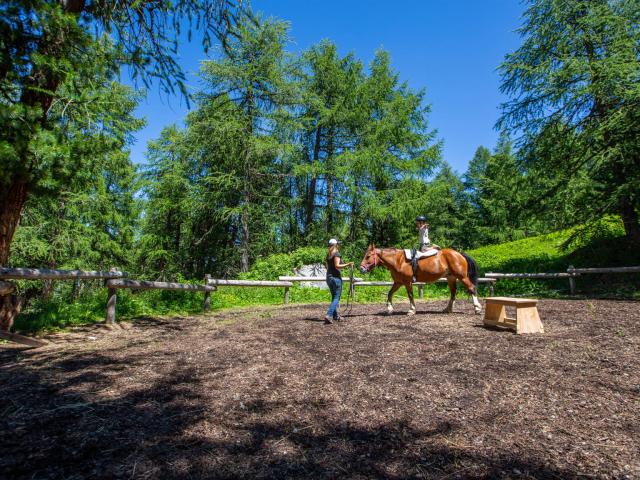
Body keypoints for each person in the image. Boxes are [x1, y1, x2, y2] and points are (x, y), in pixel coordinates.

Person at [324, 238, 353, 324]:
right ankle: (329, 315)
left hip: (328, 277)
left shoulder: (328, 255)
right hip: (335, 278)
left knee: (334, 297)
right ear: (336, 245)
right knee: (337, 297)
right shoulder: (336, 253)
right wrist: (348, 264)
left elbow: (327, 267)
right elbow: (337, 266)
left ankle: (335, 316)